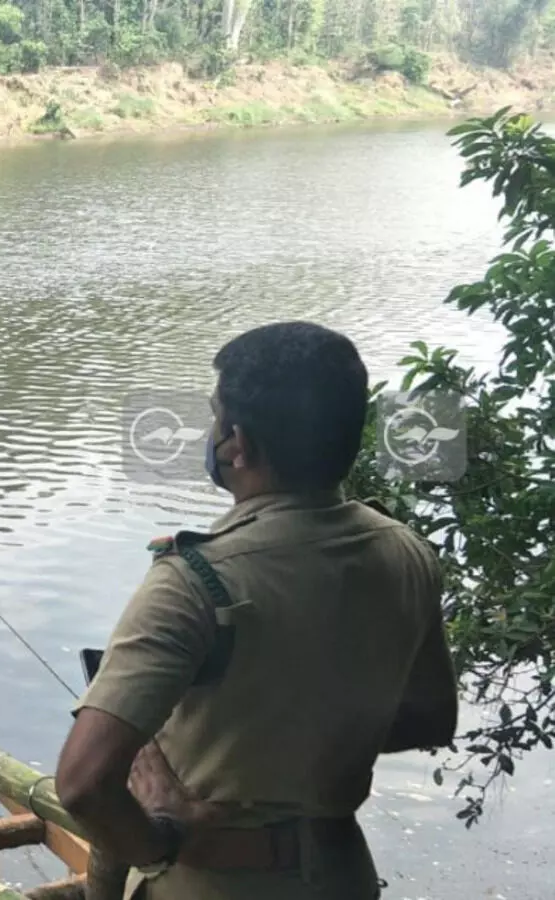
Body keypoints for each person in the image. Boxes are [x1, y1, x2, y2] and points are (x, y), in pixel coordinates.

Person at [54, 322, 457, 900]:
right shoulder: (406, 552)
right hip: (342, 877)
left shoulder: (195, 580)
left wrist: (162, 841)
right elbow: (430, 719)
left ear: (237, 442)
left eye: (215, 416)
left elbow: (85, 786)